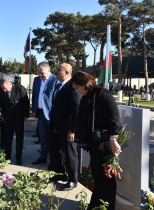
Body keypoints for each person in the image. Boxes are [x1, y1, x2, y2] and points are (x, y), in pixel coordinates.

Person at [70, 71, 122, 210]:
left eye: (77, 88)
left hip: (105, 145)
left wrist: (113, 140)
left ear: (84, 84)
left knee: (107, 180)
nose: (77, 91)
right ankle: (97, 206)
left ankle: (107, 207)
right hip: (94, 145)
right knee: (99, 179)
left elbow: (114, 119)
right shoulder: (88, 96)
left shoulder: (103, 95)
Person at [48, 63, 81, 191]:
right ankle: (61, 173)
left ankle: (73, 180)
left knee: (70, 154)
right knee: (53, 149)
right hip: (56, 127)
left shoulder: (73, 87)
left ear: (67, 72)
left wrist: (72, 130)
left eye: (58, 70)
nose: (56, 71)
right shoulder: (59, 85)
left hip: (67, 129)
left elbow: (76, 110)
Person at [0, 76, 29, 165]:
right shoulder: (1, 90)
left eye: (5, 89)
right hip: (7, 118)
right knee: (7, 139)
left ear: (9, 84)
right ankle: (7, 157)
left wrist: (26, 116)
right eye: (2, 89)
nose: (4, 91)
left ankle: (18, 157)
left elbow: (26, 103)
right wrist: (1, 114)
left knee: (19, 139)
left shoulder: (20, 89)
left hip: (18, 118)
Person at [31, 62, 57, 164]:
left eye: (42, 73)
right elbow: (34, 95)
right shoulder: (36, 79)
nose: (40, 75)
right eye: (39, 73)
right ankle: (43, 156)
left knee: (52, 137)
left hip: (51, 113)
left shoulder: (55, 79)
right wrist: (34, 109)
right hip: (40, 113)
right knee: (43, 136)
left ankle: (52, 159)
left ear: (48, 70)